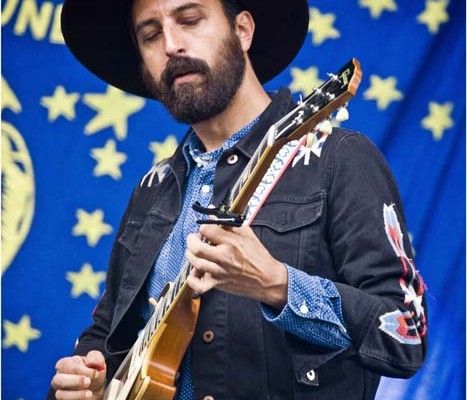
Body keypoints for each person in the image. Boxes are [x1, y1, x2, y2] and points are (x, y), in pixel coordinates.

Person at [48, 0, 428, 399]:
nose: (171, 45)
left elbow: (406, 335)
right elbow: (106, 331)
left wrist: (278, 285)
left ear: (243, 30)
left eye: (189, 20)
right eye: (150, 35)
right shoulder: (152, 188)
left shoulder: (339, 159)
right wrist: (90, 380)